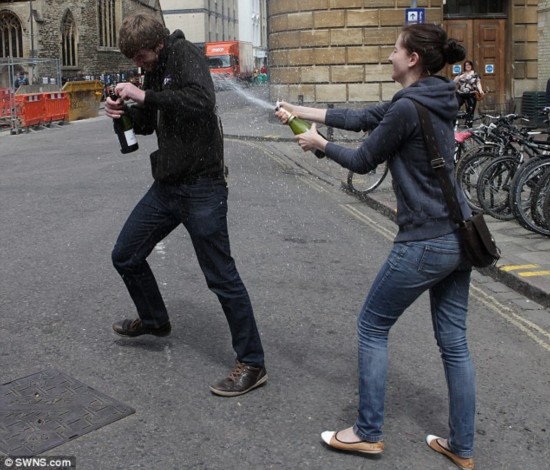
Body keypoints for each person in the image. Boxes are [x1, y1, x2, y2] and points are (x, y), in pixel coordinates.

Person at [276, 24, 476, 470]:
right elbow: (365, 116)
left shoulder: (408, 106)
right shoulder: (436, 97)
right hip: (459, 237)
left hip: (425, 238)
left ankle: (367, 432)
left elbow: (364, 160)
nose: (389, 55)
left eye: (395, 49)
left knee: (371, 326)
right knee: (455, 344)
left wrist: (318, 144)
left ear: (413, 60)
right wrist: (298, 109)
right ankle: (462, 446)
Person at [104, 14, 267, 397]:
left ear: (157, 43)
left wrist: (144, 94)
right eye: (136, 60)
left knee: (221, 277)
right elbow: (148, 124)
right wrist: (125, 111)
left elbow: (201, 100)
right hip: (168, 186)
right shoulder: (157, 67)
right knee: (125, 254)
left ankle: (253, 362)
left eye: (142, 57)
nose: (139, 65)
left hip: (202, 187)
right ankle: (154, 319)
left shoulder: (183, 55)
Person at [454, 60, 484, 125]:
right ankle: (454, 123)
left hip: (471, 94)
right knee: (455, 106)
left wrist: (481, 91)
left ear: (471, 66)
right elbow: (454, 82)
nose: (467, 66)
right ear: (464, 66)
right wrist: (460, 77)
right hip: (460, 94)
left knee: (470, 110)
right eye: (466, 65)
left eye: (469, 65)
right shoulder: (461, 73)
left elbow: (478, 83)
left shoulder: (475, 74)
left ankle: (468, 125)